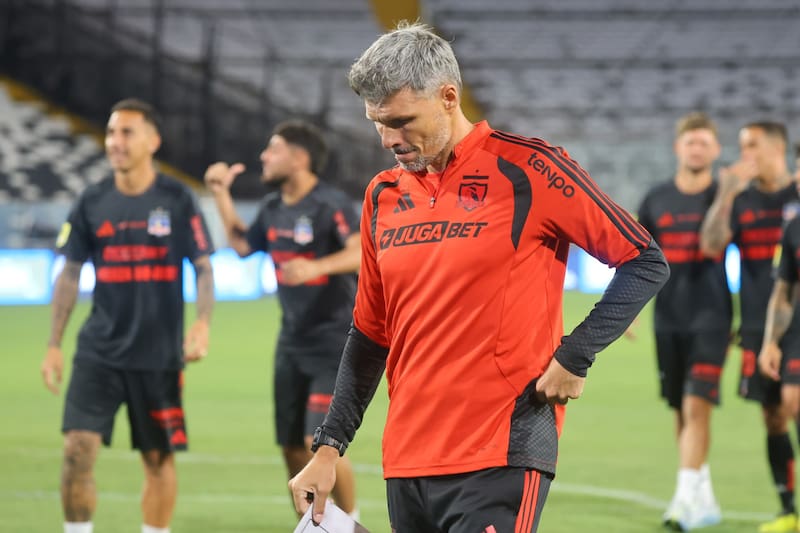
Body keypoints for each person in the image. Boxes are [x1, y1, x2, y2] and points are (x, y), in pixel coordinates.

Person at [287, 21, 669, 532]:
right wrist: (329, 447)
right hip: (408, 459)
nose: (388, 139)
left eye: (401, 120)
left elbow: (644, 259)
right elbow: (370, 335)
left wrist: (575, 355)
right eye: (377, 122)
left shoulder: (531, 169)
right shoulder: (382, 195)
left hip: (502, 447)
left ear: (449, 97)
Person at [39, 98, 215, 533]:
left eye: (126, 132)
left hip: (157, 355)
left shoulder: (177, 199)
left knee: (157, 460)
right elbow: (70, 272)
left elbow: (204, 267)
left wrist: (202, 322)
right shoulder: (91, 200)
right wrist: (54, 344)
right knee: (76, 451)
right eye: (111, 132)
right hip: (98, 351)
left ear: (153, 141)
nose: (115, 142)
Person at [203, 119, 362, 519]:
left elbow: (360, 252)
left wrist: (315, 267)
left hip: (333, 343)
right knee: (292, 447)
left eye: (272, 149)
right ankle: (316, 526)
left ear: (299, 157)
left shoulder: (330, 204)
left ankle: (351, 522)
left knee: (318, 441)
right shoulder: (273, 209)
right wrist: (221, 195)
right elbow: (241, 245)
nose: (263, 157)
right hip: (291, 343)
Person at [700, 121, 800, 533]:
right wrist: (725, 191)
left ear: (777, 148)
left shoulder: (797, 194)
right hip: (761, 326)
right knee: (774, 417)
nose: (745, 156)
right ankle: (788, 511)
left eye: (752, 146)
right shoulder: (740, 201)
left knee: (796, 406)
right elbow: (710, 245)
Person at [637, 112, 730, 530]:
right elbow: (635, 255)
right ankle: (702, 496)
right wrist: (626, 310)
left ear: (715, 150)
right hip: (668, 318)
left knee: (697, 405)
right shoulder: (656, 198)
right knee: (680, 407)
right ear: (678, 147)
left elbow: (719, 247)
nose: (697, 149)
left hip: (712, 316)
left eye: (704, 142)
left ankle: (681, 502)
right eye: (690, 142)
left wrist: (727, 193)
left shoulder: (726, 196)